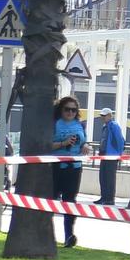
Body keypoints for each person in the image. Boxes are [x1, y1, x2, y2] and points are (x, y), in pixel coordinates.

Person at [52, 95, 87, 248]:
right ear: (61, 110)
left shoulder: (79, 125)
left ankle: (69, 235)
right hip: (56, 167)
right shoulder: (54, 124)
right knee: (52, 200)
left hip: (75, 167)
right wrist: (63, 143)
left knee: (70, 201)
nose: (70, 113)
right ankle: (47, 234)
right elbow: (46, 145)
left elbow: (83, 142)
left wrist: (86, 147)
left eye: (74, 110)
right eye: (67, 109)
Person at [93, 109, 127, 206]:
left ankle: (110, 199)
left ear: (110, 116)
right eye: (102, 116)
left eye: (104, 115)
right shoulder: (105, 126)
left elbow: (120, 140)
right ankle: (103, 197)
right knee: (103, 177)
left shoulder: (114, 125)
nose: (102, 117)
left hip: (111, 156)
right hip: (104, 155)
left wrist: (119, 154)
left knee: (110, 178)